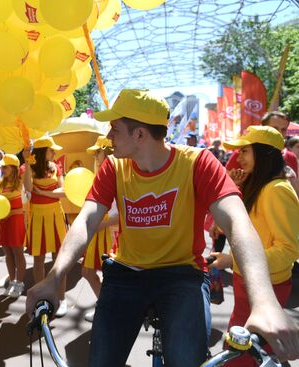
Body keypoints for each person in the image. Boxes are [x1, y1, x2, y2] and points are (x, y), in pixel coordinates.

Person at [25, 89, 299, 367]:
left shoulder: (198, 162)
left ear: (140, 135)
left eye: (115, 129)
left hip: (181, 274)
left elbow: (237, 222)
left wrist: (264, 302)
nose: (108, 137)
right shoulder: (114, 167)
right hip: (126, 274)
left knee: (185, 361)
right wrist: (54, 276)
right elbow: (86, 220)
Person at [210, 126, 299, 367]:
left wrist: (233, 261)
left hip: (267, 285)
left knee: (245, 353)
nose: (239, 157)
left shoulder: (277, 190)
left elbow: (289, 249)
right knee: (249, 350)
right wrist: (236, 190)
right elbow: (241, 232)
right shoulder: (258, 187)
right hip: (248, 283)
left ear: (264, 154)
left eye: (245, 151)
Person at [22, 136, 68, 317]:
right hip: (38, 216)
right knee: (39, 260)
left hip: (56, 215)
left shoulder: (56, 167)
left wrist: (41, 192)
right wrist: (26, 163)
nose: (55, 152)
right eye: (51, 150)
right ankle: (41, 297)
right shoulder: (29, 168)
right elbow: (27, 188)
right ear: (42, 152)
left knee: (60, 259)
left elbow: (63, 192)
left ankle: (61, 298)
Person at [82, 136, 119, 322]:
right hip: (101, 229)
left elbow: (123, 214)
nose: (95, 156)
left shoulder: (118, 176)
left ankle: (107, 309)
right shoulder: (102, 176)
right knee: (89, 272)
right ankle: (106, 307)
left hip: (111, 232)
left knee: (107, 275)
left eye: (98, 152)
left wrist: (97, 225)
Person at [0, 154, 27, 298]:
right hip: (3, 223)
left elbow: (26, 206)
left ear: (14, 168)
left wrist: (10, 212)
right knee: (8, 254)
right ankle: (12, 281)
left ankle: (20, 283)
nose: (3, 169)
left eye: (5, 167)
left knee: (18, 253)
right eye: (2, 167)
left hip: (16, 221)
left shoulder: (21, 183)